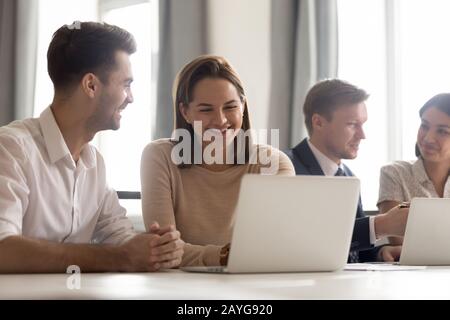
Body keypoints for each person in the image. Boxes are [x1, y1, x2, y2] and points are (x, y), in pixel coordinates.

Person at [0, 21, 184, 273]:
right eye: (126, 85)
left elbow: (120, 238)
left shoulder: (95, 163)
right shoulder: (11, 148)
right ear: (91, 85)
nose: (131, 98)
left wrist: (157, 248)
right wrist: (118, 258)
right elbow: (3, 249)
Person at [140, 55, 295, 267]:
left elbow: (278, 244)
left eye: (230, 107)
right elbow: (165, 249)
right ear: (185, 111)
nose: (221, 120)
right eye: (206, 109)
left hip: (252, 283)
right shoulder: (160, 157)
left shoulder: (273, 163)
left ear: (243, 106)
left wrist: (225, 256)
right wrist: (222, 256)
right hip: (180, 286)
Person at [286, 79, 408, 262]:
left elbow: (354, 251)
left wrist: (381, 253)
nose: (362, 135)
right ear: (318, 122)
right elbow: (305, 241)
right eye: (352, 124)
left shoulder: (349, 177)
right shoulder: (286, 168)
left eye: (363, 124)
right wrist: (381, 224)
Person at [378, 93, 450, 245]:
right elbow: (400, 243)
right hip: (414, 269)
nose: (428, 138)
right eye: (424, 126)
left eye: (442, 131)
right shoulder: (395, 174)